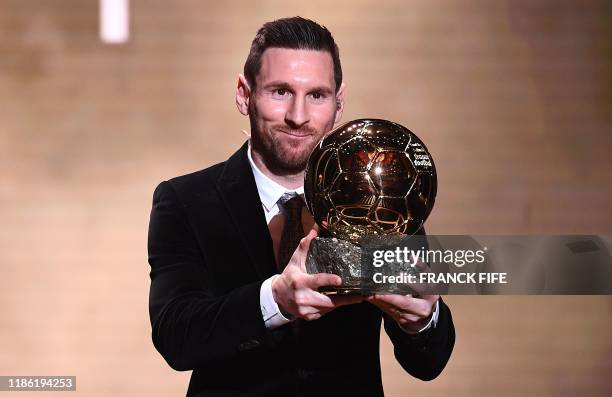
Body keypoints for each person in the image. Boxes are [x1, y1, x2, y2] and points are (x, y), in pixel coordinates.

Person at [147, 16, 455, 397]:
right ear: (245, 94)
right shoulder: (184, 200)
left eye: (317, 95)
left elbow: (428, 363)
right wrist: (275, 300)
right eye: (280, 92)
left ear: (339, 103)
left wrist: (423, 321)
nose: (298, 116)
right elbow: (176, 337)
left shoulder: (384, 199)